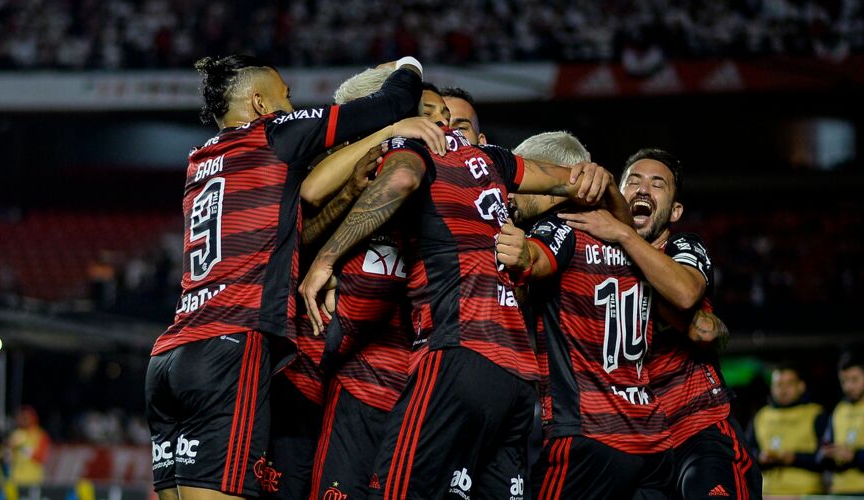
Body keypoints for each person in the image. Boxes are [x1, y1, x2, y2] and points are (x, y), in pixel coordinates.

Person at [300, 100, 627, 498]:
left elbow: (398, 179)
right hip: (519, 379)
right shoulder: (493, 161)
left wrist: (326, 259)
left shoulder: (417, 146)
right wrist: (607, 188)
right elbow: (583, 183)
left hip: (457, 352)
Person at [145, 54, 427, 500]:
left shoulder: (201, 161)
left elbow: (292, 224)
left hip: (170, 355)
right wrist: (407, 66)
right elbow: (392, 104)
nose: (293, 107)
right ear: (260, 103)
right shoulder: (274, 135)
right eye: (286, 96)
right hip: (230, 349)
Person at [557, 148, 762, 499]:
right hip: (629, 442)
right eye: (633, 181)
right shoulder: (587, 253)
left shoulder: (683, 246)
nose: (643, 190)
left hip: (697, 431)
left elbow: (684, 294)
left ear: (675, 210)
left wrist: (623, 235)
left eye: (657, 184)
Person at [504, 134, 672, 498]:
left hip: (588, 435)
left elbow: (535, 260)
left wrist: (517, 251)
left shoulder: (562, 225)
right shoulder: (627, 238)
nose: (511, 195)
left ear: (550, 184)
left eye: (521, 183)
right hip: (652, 440)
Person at [308, 82, 452, 500]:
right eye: (429, 112)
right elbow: (304, 219)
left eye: (448, 117)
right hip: (356, 386)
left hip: (424, 399)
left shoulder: (461, 198)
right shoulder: (352, 177)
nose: (440, 122)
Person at [750, 364, 826, 495]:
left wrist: (794, 458)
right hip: (767, 493)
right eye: (778, 384)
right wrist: (760, 457)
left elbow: (826, 457)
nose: (783, 390)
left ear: (801, 386)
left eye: (789, 384)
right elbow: (746, 452)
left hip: (806, 493)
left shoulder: (816, 414)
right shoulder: (761, 416)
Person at [820, 351, 864, 494]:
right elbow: (822, 450)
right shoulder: (839, 410)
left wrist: (855, 456)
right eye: (844, 381)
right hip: (839, 490)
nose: (849, 386)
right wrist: (826, 454)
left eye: (854, 379)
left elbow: (853, 456)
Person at [7, 406, 49, 487]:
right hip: (16, 479)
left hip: (33, 479)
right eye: (21, 417)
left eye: (25, 417)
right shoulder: (17, 433)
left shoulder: (40, 434)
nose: (22, 420)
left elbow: (41, 457)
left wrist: (25, 448)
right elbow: (8, 455)